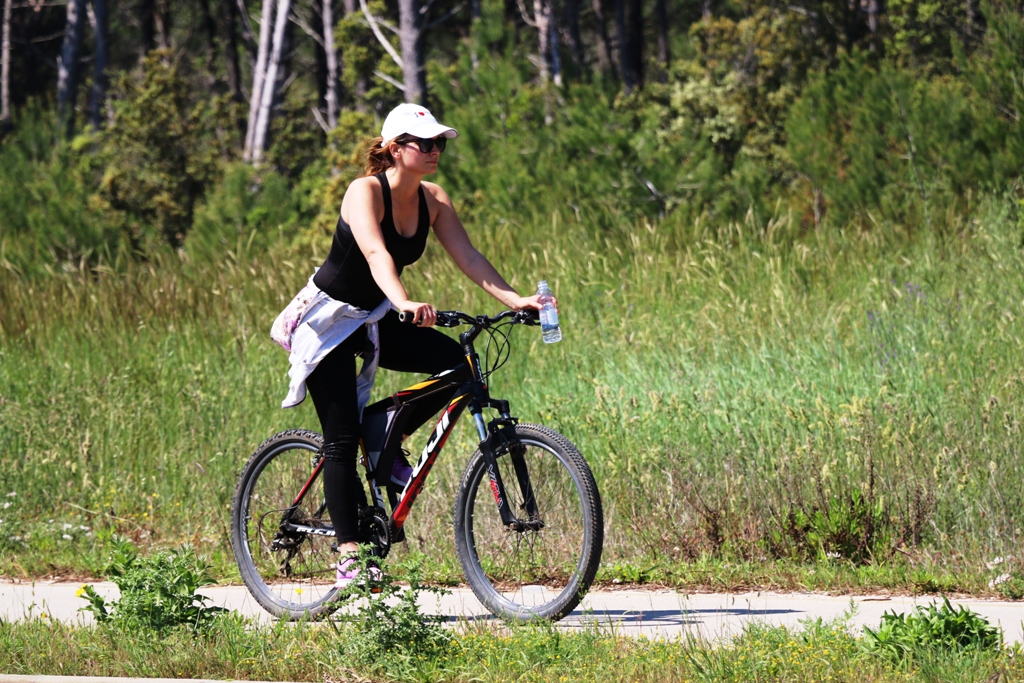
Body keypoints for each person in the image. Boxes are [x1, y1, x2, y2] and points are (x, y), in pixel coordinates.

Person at [280, 103, 548, 588]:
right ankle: (349, 559)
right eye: (424, 143)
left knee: (454, 363)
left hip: (377, 317)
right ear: (394, 148)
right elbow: (375, 253)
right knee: (340, 440)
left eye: (439, 142)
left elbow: (467, 254)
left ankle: (384, 434)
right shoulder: (364, 192)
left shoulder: (433, 199)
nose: (435, 150)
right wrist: (404, 301)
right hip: (328, 322)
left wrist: (516, 300)